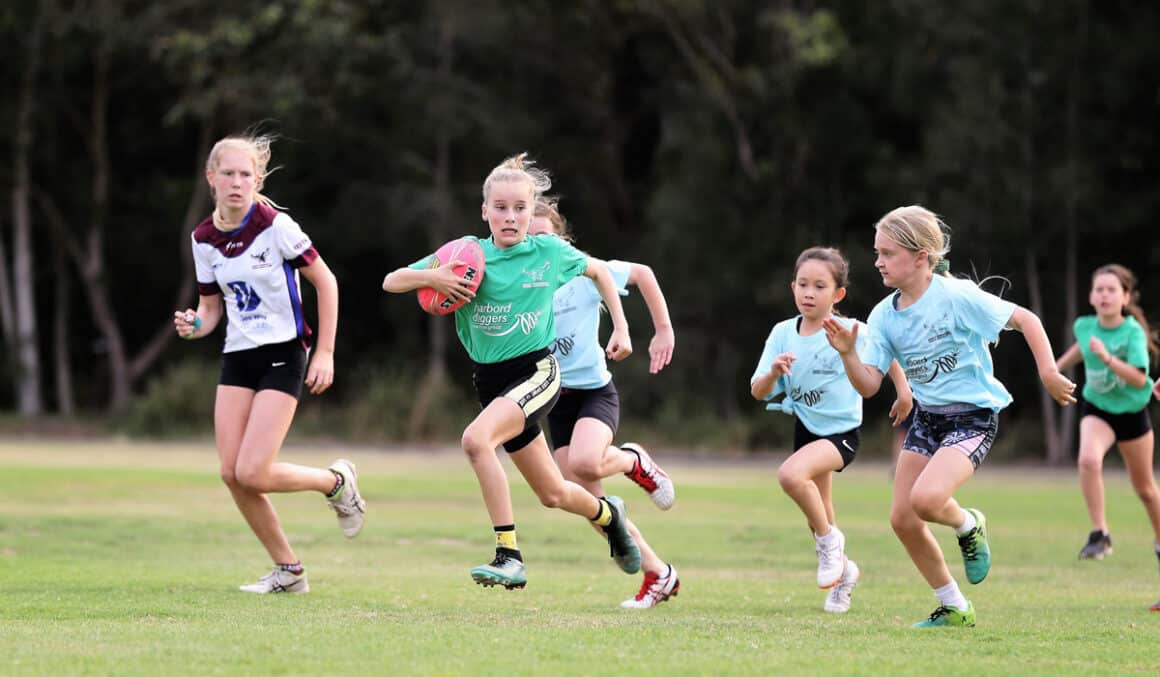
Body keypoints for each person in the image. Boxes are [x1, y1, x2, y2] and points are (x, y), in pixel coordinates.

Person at [381, 153, 641, 590]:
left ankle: (509, 555)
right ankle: (609, 514)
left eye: (520, 208)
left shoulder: (550, 252)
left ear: (530, 210)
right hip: (491, 383)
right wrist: (435, 278)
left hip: (537, 372)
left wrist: (621, 324)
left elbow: (598, 271)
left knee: (475, 440)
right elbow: (391, 280)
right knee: (553, 493)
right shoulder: (466, 255)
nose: (510, 216)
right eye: (500, 207)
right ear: (484, 211)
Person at [823, 205, 1076, 628]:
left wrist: (1049, 371)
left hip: (972, 419)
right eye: (876, 252)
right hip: (927, 419)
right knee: (902, 519)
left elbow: (1026, 320)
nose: (878, 262)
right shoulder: (884, 315)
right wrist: (848, 354)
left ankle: (968, 522)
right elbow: (868, 384)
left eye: (888, 253)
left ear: (921, 257)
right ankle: (954, 606)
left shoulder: (956, 296)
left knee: (926, 501)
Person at [173, 134, 365, 595]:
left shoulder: (276, 226)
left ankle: (335, 482)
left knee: (253, 472)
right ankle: (289, 571)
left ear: (257, 179)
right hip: (238, 357)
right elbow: (211, 309)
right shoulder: (203, 238)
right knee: (230, 472)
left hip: (284, 354)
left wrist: (325, 352)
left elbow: (327, 282)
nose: (237, 183)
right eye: (229, 174)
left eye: (246, 175)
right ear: (211, 177)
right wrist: (193, 325)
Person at [528, 197, 679, 609]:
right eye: (527, 236)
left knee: (588, 463)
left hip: (594, 393)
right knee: (595, 507)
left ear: (560, 239)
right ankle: (658, 574)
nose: (534, 244)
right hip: (552, 400)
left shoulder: (582, 269)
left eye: (542, 236)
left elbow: (643, 274)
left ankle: (633, 461)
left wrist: (661, 330)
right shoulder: (521, 284)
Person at [750, 246, 912, 614]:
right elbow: (758, 391)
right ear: (793, 287)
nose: (809, 292)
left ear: (837, 294)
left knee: (790, 476)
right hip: (806, 429)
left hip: (841, 434)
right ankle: (844, 574)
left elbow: (887, 357)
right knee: (819, 511)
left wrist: (904, 392)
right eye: (803, 284)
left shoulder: (851, 330)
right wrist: (774, 372)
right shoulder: (781, 334)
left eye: (820, 286)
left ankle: (830, 543)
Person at [1054, 264, 1159, 565]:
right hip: (1097, 408)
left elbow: (1140, 379)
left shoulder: (1132, 333)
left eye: (1112, 289)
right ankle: (1100, 533)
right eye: (1099, 289)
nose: (1104, 295)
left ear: (1125, 297)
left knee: (1146, 490)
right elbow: (1081, 348)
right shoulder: (1085, 326)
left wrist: (1108, 358)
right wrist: (1054, 369)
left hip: (1132, 412)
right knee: (1087, 459)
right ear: (1090, 296)